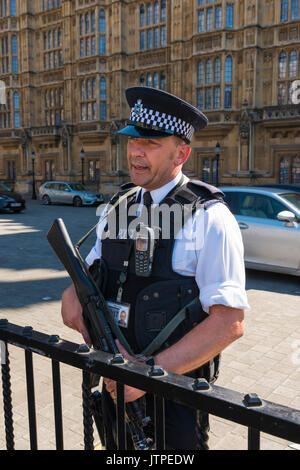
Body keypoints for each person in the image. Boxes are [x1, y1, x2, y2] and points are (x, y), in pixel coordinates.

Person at [61, 86, 249, 450]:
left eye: (150, 143)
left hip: (172, 393)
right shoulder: (119, 207)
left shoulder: (209, 217)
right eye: (132, 141)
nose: (135, 152)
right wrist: (72, 299)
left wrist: (147, 375)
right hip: (115, 379)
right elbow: (86, 276)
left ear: (182, 152)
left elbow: (229, 322)